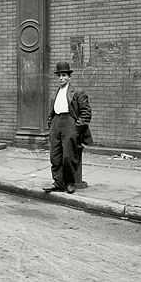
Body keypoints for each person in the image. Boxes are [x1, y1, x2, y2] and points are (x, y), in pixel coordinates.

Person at [44, 61, 92, 195]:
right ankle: (58, 183)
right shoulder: (56, 93)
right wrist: (50, 122)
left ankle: (70, 183)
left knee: (68, 156)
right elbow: (52, 111)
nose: (61, 78)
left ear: (69, 77)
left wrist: (77, 128)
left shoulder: (77, 92)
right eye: (59, 75)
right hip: (56, 124)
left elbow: (86, 112)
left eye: (64, 75)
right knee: (55, 156)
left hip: (70, 123)